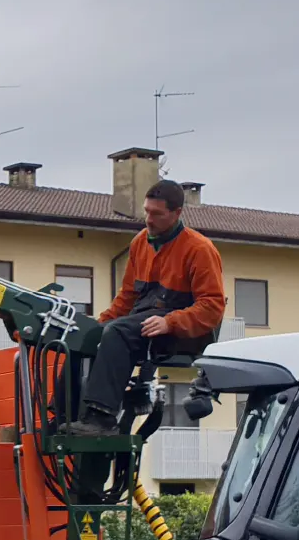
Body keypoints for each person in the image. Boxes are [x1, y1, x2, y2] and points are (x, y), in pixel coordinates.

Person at [62, 179, 226, 437]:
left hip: (180, 331)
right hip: (145, 319)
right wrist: (97, 324)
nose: (149, 219)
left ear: (177, 213)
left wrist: (170, 322)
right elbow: (128, 296)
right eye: (147, 211)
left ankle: (102, 418)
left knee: (117, 332)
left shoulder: (199, 249)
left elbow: (212, 307)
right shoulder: (141, 242)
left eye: (157, 214)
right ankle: (64, 414)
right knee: (84, 335)